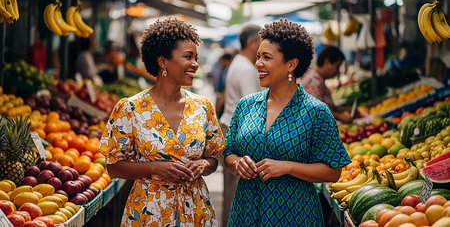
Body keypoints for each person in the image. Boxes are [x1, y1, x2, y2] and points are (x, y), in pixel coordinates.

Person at [223, 19, 351, 226]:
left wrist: (288, 167)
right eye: (258, 57)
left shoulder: (316, 112)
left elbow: (333, 171)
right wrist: (237, 163)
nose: (258, 64)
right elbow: (228, 153)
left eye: (266, 57)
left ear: (291, 64)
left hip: (294, 213)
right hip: (246, 211)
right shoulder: (246, 105)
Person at [99, 18, 225, 226]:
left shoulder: (203, 106)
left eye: (196, 58)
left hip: (195, 210)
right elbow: (114, 167)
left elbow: (213, 159)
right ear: (162, 61)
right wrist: (155, 168)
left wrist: (203, 165)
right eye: (188, 57)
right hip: (149, 211)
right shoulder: (131, 108)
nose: (195, 64)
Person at [219, 24, 263, 226]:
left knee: (233, 187)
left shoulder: (239, 62)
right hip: (239, 131)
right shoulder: (245, 68)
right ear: (250, 43)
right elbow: (252, 105)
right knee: (236, 189)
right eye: (261, 43)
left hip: (232, 126)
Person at [301, 46, 355, 123]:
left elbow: (329, 107)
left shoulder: (319, 79)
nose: (337, 71)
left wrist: (346, 109)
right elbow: (317, 110)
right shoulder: (313, 81)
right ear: (327, 62)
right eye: (337, 66)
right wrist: (339, 116)